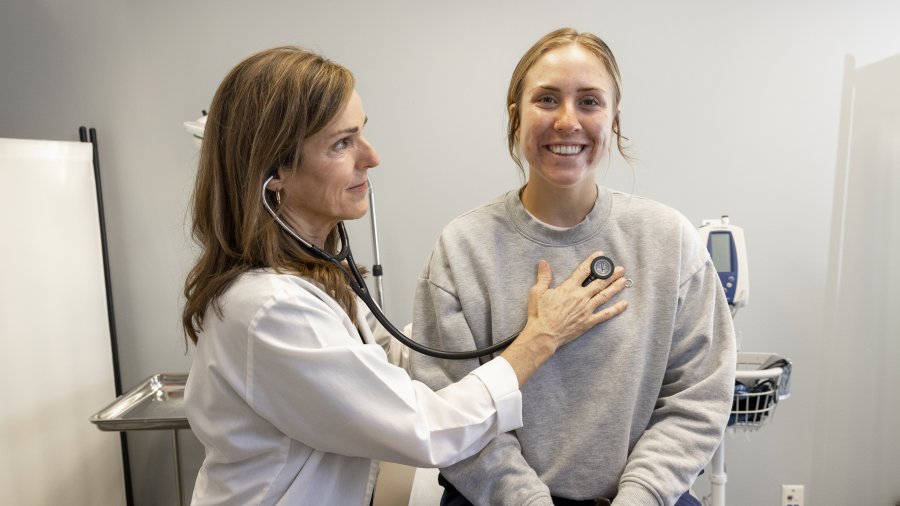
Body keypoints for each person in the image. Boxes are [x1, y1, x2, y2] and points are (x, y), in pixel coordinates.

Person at [181, 45, 630, 506]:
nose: (371, 157)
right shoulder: (269, 309)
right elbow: (425, 428)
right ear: (274, 171)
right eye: (342, 143)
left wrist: (474, 318)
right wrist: (539, 339)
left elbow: (384, 357)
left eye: (363, 133)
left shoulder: (315, 279)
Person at [409, 28, 737, 506]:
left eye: (589, 102)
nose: (568, 121)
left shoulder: (669, 241)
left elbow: (698, 396)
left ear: (614, 120)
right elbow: (451, 411)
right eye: (546, 99)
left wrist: (641, 496)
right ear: (515, 115)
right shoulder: (464, 249)